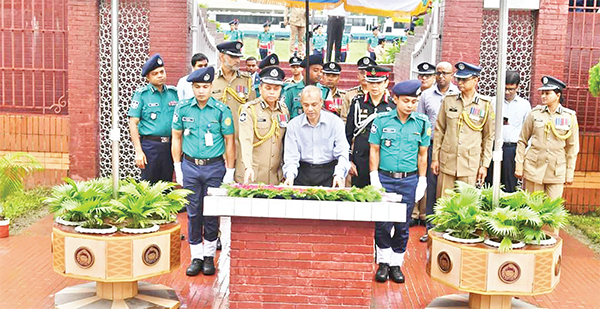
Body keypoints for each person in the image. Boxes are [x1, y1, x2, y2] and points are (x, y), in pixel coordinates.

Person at [171, 66, 235, 277]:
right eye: (197, 87)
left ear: (211, 87)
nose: (201, 91)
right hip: (190, 166)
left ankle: (209, 257)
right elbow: (177, 137)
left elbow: (229, 141)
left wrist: (230, 171)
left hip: (214, 167)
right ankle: (195, 257)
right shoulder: (183, 108)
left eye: (205, 87)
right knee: (193, 212)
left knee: (211, 214)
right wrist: (177, 167)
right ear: (192, 87)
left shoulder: (221, 110)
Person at [368, 80, 430, 284]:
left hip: (408, 180)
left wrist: (422, 180)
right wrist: (374, 176)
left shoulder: (421, 123)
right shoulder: (382, 120)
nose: (410, 105)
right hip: (385, 178)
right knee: (383, 224)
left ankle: (396, 264)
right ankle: (383, 263)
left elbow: (423, 154)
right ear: (395, 99)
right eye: (405, 101)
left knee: (403, 226)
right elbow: (374, 150)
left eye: (414, 101)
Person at [431, 62, 495, 199]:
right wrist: (435, 158)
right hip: (447, 161)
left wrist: (484, 165)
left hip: (470, 163)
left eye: (464, 80)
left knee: (466, 207)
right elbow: (439, 130)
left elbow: (488, 137)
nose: (460, 83)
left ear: (475, 80)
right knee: (444, 204)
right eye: (458, 79)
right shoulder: (449, 101)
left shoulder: (485, 104)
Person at [515, 76, 579, 199]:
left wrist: (569, 173)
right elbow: (522, 140)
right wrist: (519, 165)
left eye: (547, 93)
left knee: (552, 210)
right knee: (534, 208)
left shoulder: (569, 116)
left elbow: (572, 147)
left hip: (556, 170)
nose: (543, 96)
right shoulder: (535, 114)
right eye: (542, 93)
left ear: (558, 95)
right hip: (534, 168)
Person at [417, 61, 458, 243]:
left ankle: (451, 228)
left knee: (451, 188)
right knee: (432, 188)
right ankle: (431, 229)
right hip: (431, 144)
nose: (442, 76)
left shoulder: (459, 95)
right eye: (439, 73)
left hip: (453, 148)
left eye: (445, 73)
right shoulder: (426, 95)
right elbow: (419, 121)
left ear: (452, 75)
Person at [283, 85, 350, 187]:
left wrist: (339, 174)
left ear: (321, 102)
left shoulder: (335, 122)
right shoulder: (293, 125)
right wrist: (290, 176)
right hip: (302, 172)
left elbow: (342, 153)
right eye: (306, 105)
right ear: (301, 104)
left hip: (329, 173)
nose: (310, 109)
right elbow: (291, 156)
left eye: (314, 104)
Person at [128, 54, 179, 184]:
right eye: (155, 73)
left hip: (170, 145)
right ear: (148, 78)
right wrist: (138, 151)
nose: (160, 75)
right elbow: (133, 123)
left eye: (162, 72)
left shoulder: (173, 93)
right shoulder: (142, 95)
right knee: (148, 186)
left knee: (167, 185)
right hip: (150, 146)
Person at [211, 41, 256, 183]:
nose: (238, 61)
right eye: (233, 57)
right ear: (222, 56)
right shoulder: (211, 80)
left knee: (240, 184)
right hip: (217, 143)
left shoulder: (246, 81)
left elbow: (252, 111)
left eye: (239, 57)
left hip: (241, 142)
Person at [346, 65, 396, 188]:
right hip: (360, 158)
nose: (374, 86)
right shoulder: (357, 103)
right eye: (371, 82)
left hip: (383, 159)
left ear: (386, 83)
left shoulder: (392, 106)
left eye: (379, 82)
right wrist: (349, 160)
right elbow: (348, 133)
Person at [239, 67, 290, 185]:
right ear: (260, 88)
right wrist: (248, 166)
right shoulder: (249, 110)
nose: (272, 92)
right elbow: (245, 140)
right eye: (268, 88)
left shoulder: (283, 110)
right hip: (253, 174)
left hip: (275, 175)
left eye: (276, 88)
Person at [484, 70, 531, 193]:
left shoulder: (524, 105)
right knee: (490, 183)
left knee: (510, 184)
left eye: (511, 89)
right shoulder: (492, 102)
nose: (507, 92)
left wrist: (524, 153)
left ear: (518, 87)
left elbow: (528, 131)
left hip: (512, 149)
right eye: (504, 89)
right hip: (494, 146)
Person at [411, 61, 437, 227]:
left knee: (430, 177)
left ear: (434, 77)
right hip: (416, 140)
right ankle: (413, 213)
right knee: (415, 174)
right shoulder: (412, 93)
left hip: (435, 141)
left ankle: (424, 214)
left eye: (428, 76)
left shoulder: (444, 95)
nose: (424, 78)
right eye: (421, 75)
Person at [281, 54, 328, 118]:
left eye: (321, 71)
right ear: (305, 71)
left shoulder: (325, 91)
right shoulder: (291, 91)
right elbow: (284, 114)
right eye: (315, 70)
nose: (319, 74)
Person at [341, 56, 376, 122]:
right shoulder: (350, 94)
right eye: (362, 73)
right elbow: (344, 119)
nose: (365, 76)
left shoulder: (381, 93)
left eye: (368, 73)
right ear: (358, 75)